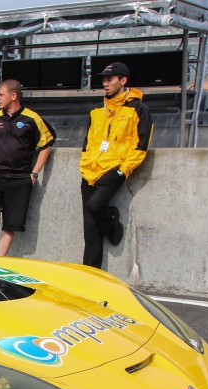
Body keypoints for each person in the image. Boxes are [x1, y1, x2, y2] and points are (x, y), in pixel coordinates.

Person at [79, 61, 153, 269]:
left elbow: (141, 145)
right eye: (103, 79)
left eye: (110, 79)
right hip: (90, 170)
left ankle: (112, 224)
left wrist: (122, 171)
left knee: (95, 206)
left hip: (114, 170)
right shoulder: (96, 110)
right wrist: (84, 162)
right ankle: (90, 275)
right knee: (90, 230)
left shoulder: (138, 109)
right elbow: (88, 142)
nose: (105, 83)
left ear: (123, 81)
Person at [0, 79, 55, 256]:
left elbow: (45, 146)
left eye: (1, 95)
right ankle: (3, 204)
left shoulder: (32, 118)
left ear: (14, 95)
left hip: (21, 179)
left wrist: (34, 174)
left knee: (11, 224)